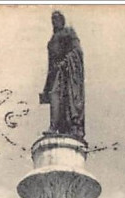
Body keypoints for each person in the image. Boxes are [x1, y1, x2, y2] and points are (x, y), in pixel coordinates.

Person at [40, 11, 85, 140]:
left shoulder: (69, 32)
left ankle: (73, 127)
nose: (54, 22)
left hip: (69, 73)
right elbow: (50, 66)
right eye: (52, 19)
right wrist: (46, 88)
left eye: (56, 19)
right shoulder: (51, 42)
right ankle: (54, 126)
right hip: (56, 74)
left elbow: (77, 51)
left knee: (69, 99)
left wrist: (66, 62)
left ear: (62, 20)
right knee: (54, 95)